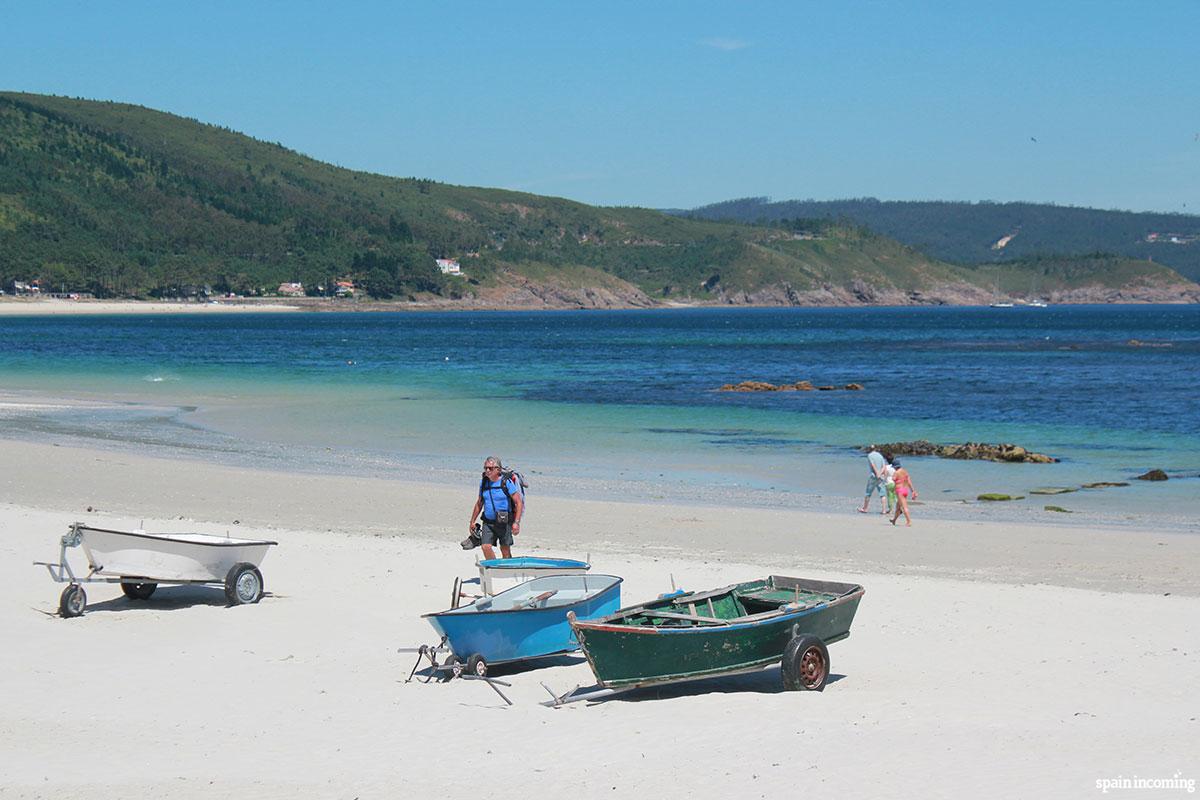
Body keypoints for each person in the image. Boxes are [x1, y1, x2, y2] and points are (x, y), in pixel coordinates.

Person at [468, 456, 523, 559]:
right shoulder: (484, 483)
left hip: (504, 521)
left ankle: (507, 570)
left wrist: (516, 522)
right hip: (488, 522)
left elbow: (518, 502)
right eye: (485, 468)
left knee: (505, 549)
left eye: (490, 468)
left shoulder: (506, 482)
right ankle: (493, 568)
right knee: (485, 547)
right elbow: (479, 503)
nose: (487, 470)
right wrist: (472, 521)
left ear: (498, 469)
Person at [858, 446, 888, 513]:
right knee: (882, 494)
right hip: (881, 477)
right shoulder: (880, 456)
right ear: (876, 449)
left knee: (868, 493)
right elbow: (884, 466)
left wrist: (877, 473)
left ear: (870, 449)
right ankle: (884, 510)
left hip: (873, 476)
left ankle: (865, 508)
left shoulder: (870, 455)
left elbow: (873, 465)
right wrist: (881, 474)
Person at [890, 459, 918, 527]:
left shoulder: (896, 472)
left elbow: (893, 479)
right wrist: (913, 491)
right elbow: (909, 482)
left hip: (900, 491)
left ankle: (909, 521)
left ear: (894, 466)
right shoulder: (905, 471)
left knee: (904, 506)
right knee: (898, 507)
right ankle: (894, 520)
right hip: (905, 490)